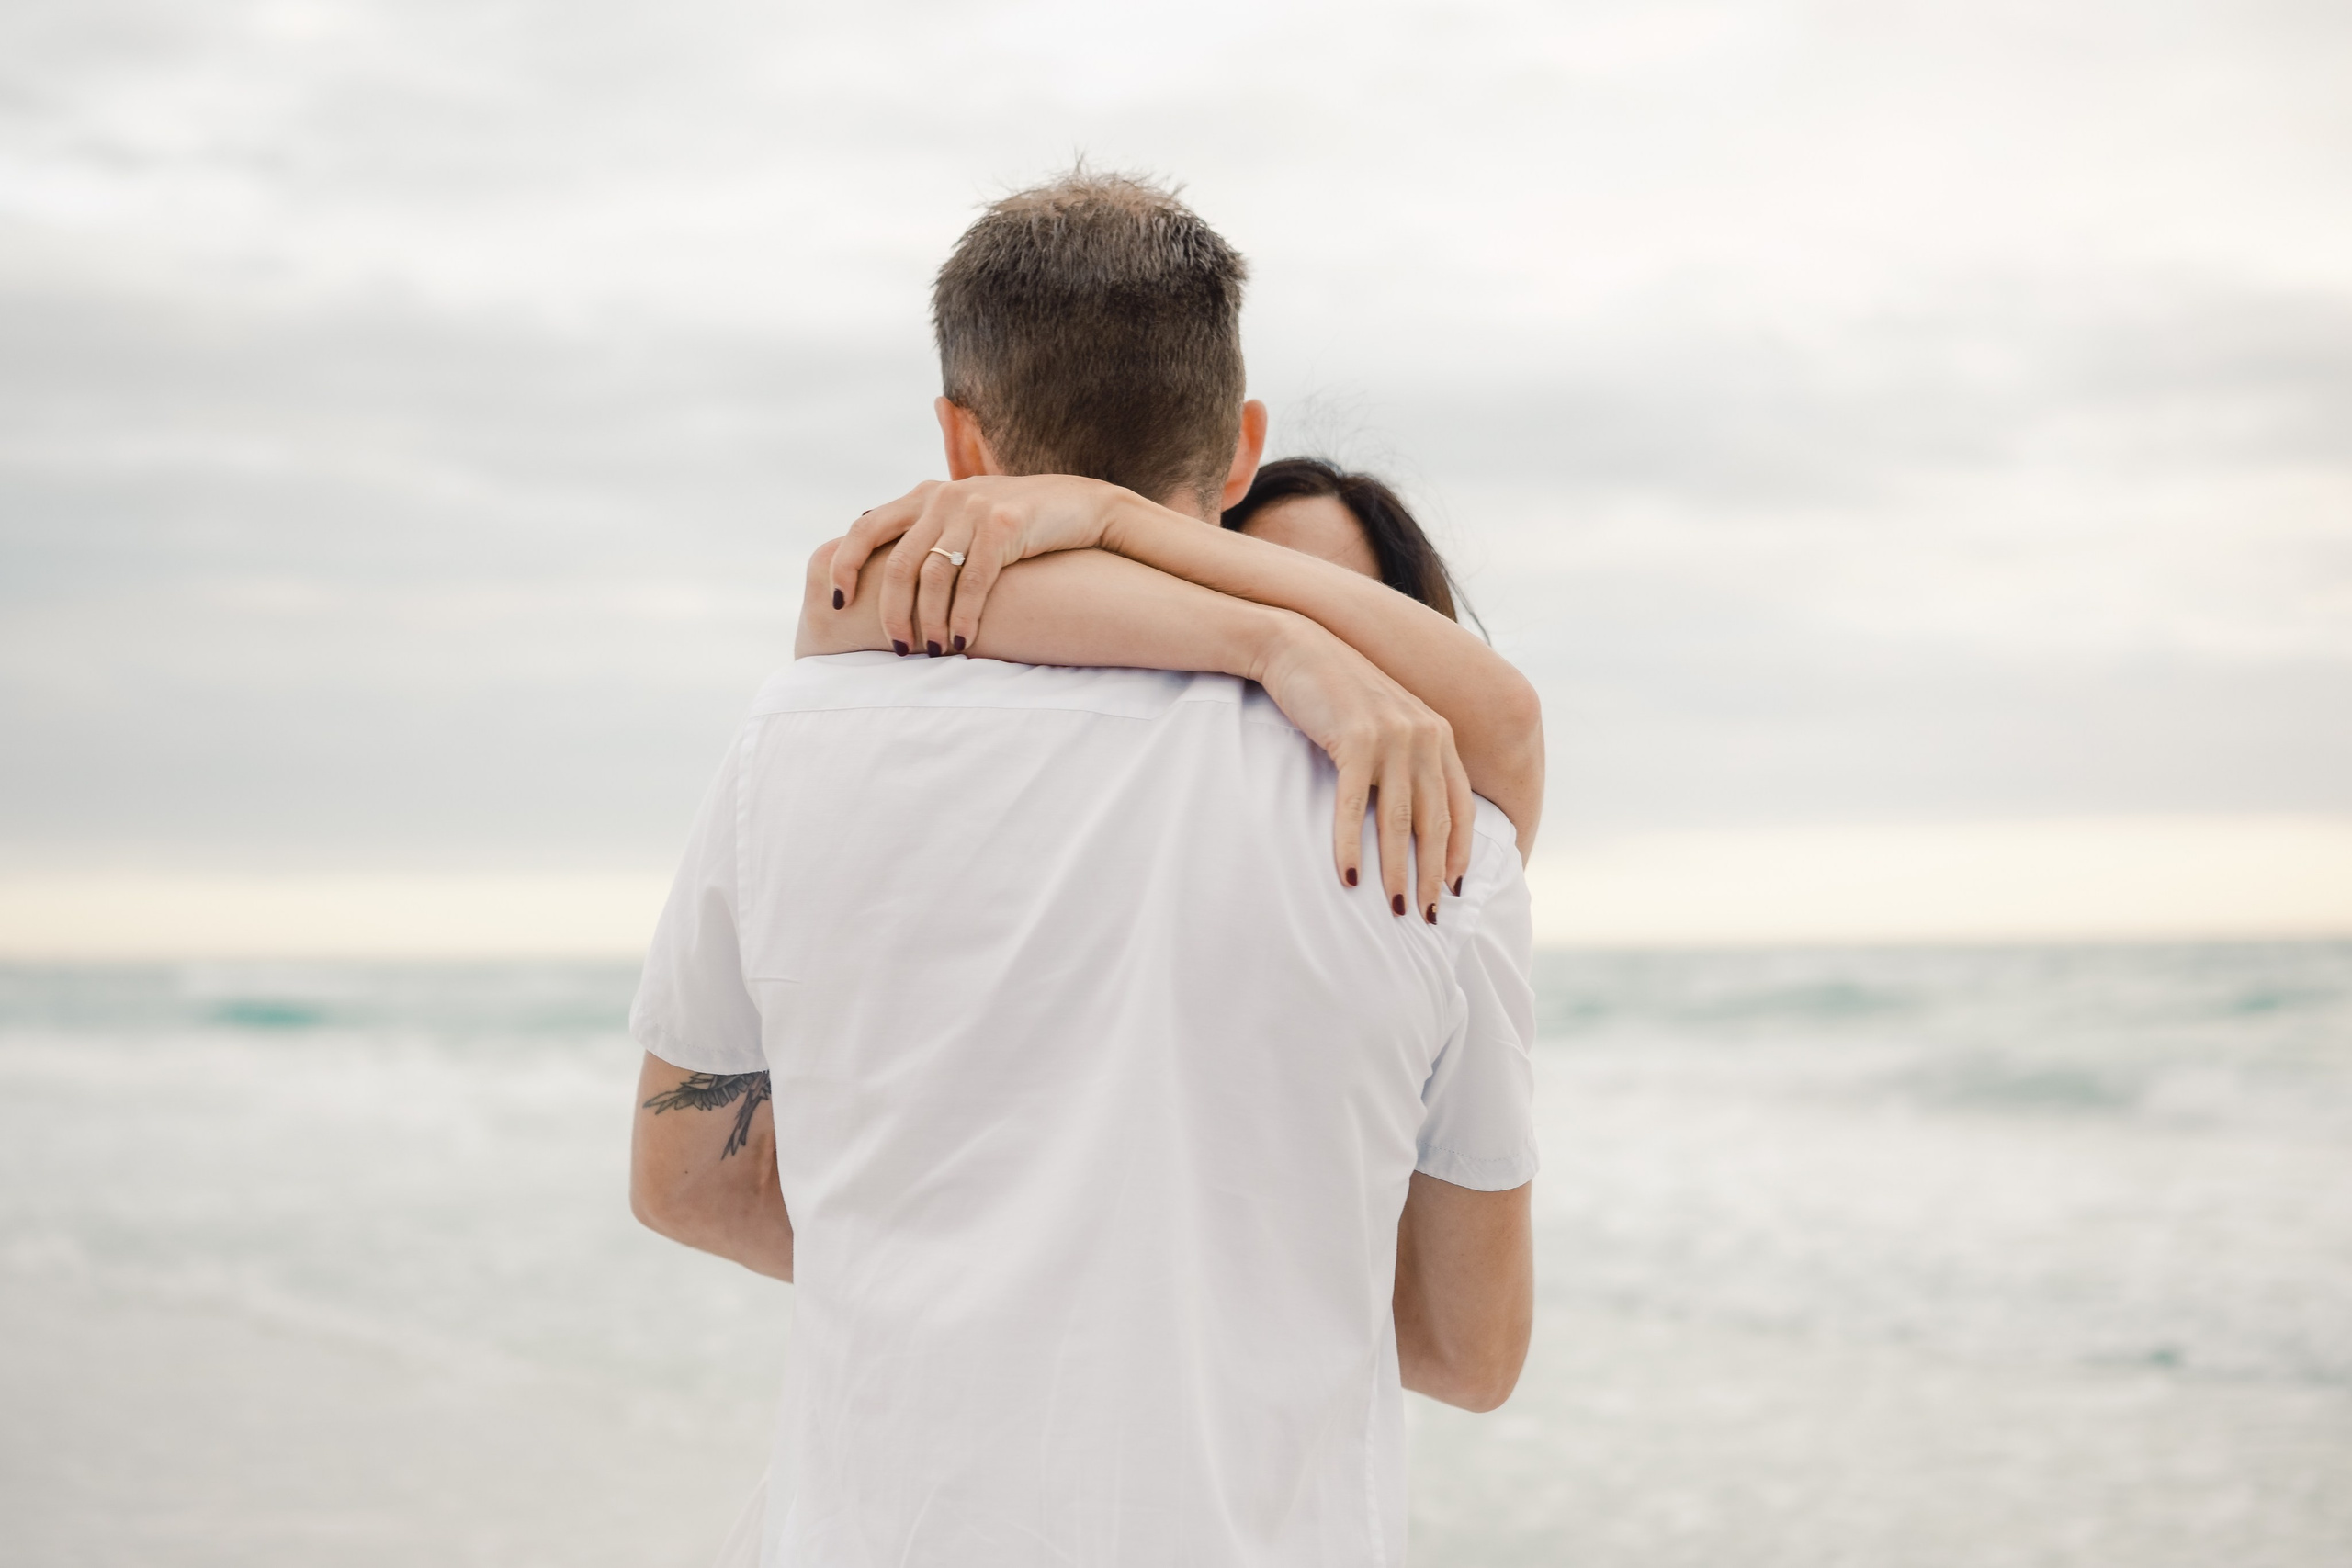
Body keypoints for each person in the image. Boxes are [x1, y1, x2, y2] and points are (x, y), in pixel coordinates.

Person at [628, 170, 1542, 1568]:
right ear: (1241, 451)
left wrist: (955, 1269)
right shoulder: (1436, 821)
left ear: (956, 441)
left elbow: (686, 1179)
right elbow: (1466, 1350)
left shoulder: (796, 735)